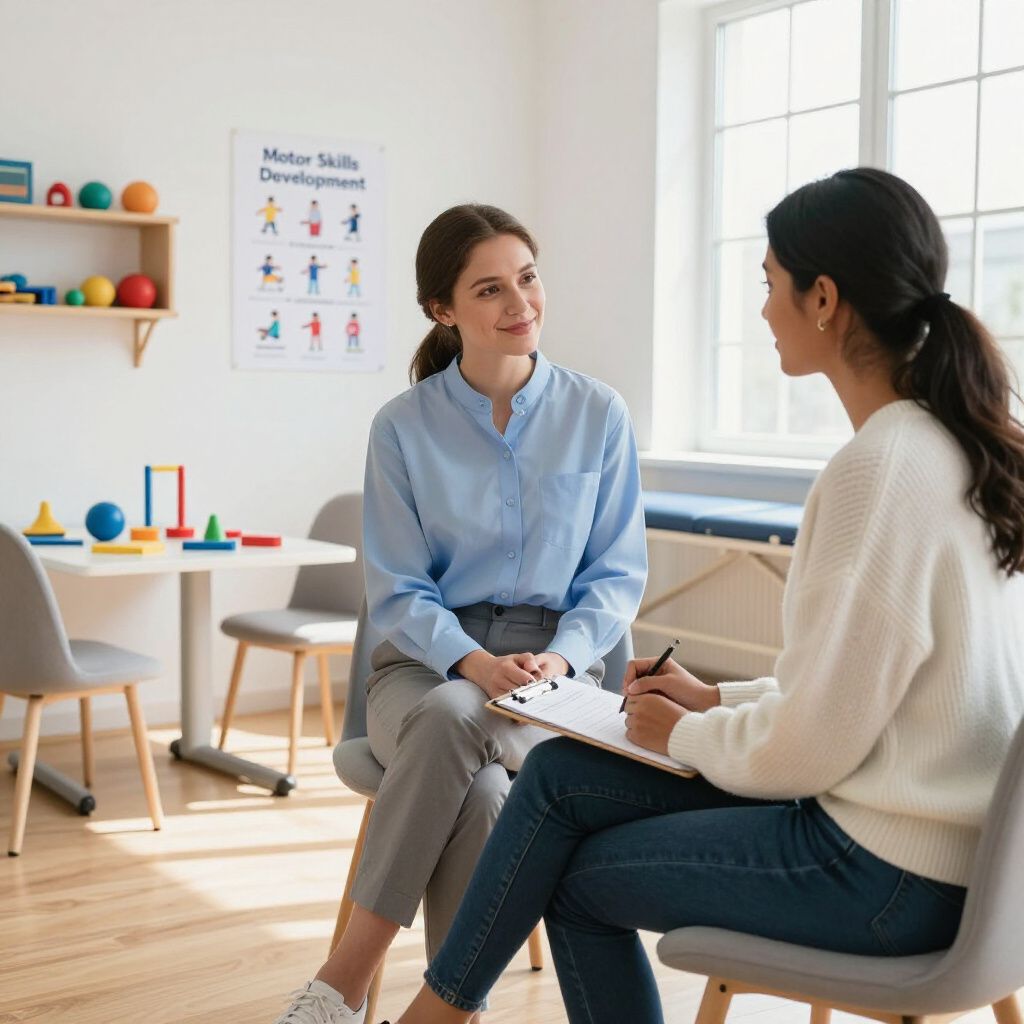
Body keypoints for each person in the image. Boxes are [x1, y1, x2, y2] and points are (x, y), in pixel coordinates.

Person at [385, 168, 1024, 1024]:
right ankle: (441, 1013)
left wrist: (687, 729)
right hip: (949, 854)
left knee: (569, 878)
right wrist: (715, 696)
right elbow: (866, 689)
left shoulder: (878, 471)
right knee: (565, 775)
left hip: (885, 871)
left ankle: (434, 1014)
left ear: (824, 298)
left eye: (770, 285)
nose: (762, 311)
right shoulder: (955, 445)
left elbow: (810, 749)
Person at [272, 203, 648, 1024]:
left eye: (528, 277)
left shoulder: (599, 415)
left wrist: (563, 659)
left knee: (475, 784)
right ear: (444, 311)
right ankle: (417, 998)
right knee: (453, 722)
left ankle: (346, 985)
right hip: (423, 667)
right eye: (490, 289)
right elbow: (398, 587)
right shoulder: (403, 428)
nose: (521, 303)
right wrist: (472, 662)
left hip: (555, 677)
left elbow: (616, 576)